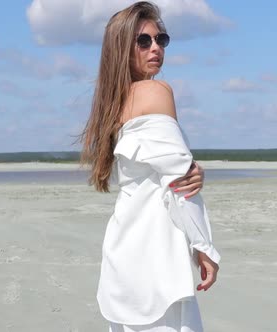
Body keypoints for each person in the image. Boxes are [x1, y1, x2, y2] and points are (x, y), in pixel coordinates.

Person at [79, 2, 220, 331]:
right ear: (121, 48)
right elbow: (179, 182)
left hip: (124, 248)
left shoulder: (113, 103)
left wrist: (193, 170)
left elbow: (167, 172)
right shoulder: (156, 91)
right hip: (154, 254)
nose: (155, 48)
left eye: (161, 40)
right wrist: (204, 245)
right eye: (143, 41)